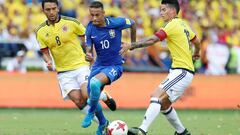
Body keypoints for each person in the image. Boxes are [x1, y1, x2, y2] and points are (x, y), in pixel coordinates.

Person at [121, 0, 201, 135]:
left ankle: (142, 130)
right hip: (182, 71)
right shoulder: (183, 24)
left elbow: (153, 40)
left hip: (181, 71)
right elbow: (196, 41)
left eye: (164, 10)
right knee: (164, 104)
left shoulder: (172, 25)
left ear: (173, 11)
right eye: (160, 10)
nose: (161, 13)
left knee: (156, 96)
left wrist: (132, 45)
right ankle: (182, 132)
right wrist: (197, 52)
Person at [35, 0, 117, 125]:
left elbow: (89, 37)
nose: (51, 12)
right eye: (48, 9)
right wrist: (49, 61)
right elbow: (45, 52)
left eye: (53, 8)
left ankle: (104, 96)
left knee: (86, 94)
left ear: (58, 8)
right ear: (43, 11)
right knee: (78, 101)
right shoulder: (41, 31)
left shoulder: (71, 22)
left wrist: (92, 55)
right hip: (63, 71)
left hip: (80, 65)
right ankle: (104, 124)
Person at [81, 1, 136, 135]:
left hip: (114, 66)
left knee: (94, 84)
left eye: (97, 15)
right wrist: (88, 54)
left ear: (103, 14)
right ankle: (102, 123)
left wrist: (133, 44)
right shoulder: (90, 28)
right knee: (90, 98)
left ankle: (90, 113)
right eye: (92, 15)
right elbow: (88, 47)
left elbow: (133, 23)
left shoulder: (116, 23)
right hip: (98, 65)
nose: (94, 18)